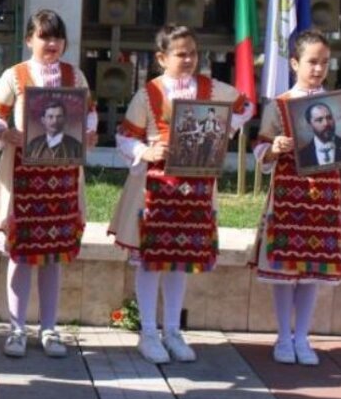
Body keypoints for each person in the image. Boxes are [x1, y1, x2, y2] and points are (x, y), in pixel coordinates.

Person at [108, 24, 253, 364]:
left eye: (193, 53)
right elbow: (124, 136)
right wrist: (145, 151)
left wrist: (221, 131)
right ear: (161, 58)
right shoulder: (149, 94)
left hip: (196, 189)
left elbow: (244, 106)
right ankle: (147, 331)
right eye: (180, 54)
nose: (188, 60)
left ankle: (172, 330)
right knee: (150, 261)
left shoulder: (211, 88)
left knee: (179, 263)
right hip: (155, 191)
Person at [251, 29, 341, 366]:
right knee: (286, 268)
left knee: (311, 271)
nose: (318, 68)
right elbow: (259, 148)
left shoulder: (334, 105)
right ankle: (283, 336)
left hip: (325, 197)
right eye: (311, 61)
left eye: (323, 62)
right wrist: (273, 148)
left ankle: (302, 336)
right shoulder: (280, 105)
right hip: (290, 194)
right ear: (294, 62)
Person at [0, 9, 97, 359]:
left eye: (57, 37)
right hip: (23, 178)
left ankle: (49, 327)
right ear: (29, 40)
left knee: (52, 256)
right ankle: (16, 328)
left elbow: (88, 111)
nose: (52, 43)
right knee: (21, 256)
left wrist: (90, 132)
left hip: (61, 179)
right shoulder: (15, 75)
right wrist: (6, 133)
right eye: (45, 36)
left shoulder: (73, 74)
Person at [295, 101, 341, 168]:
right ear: (309, 125)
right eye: (319, 120)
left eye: (329, 118)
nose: (326, 123)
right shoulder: (301, 155)